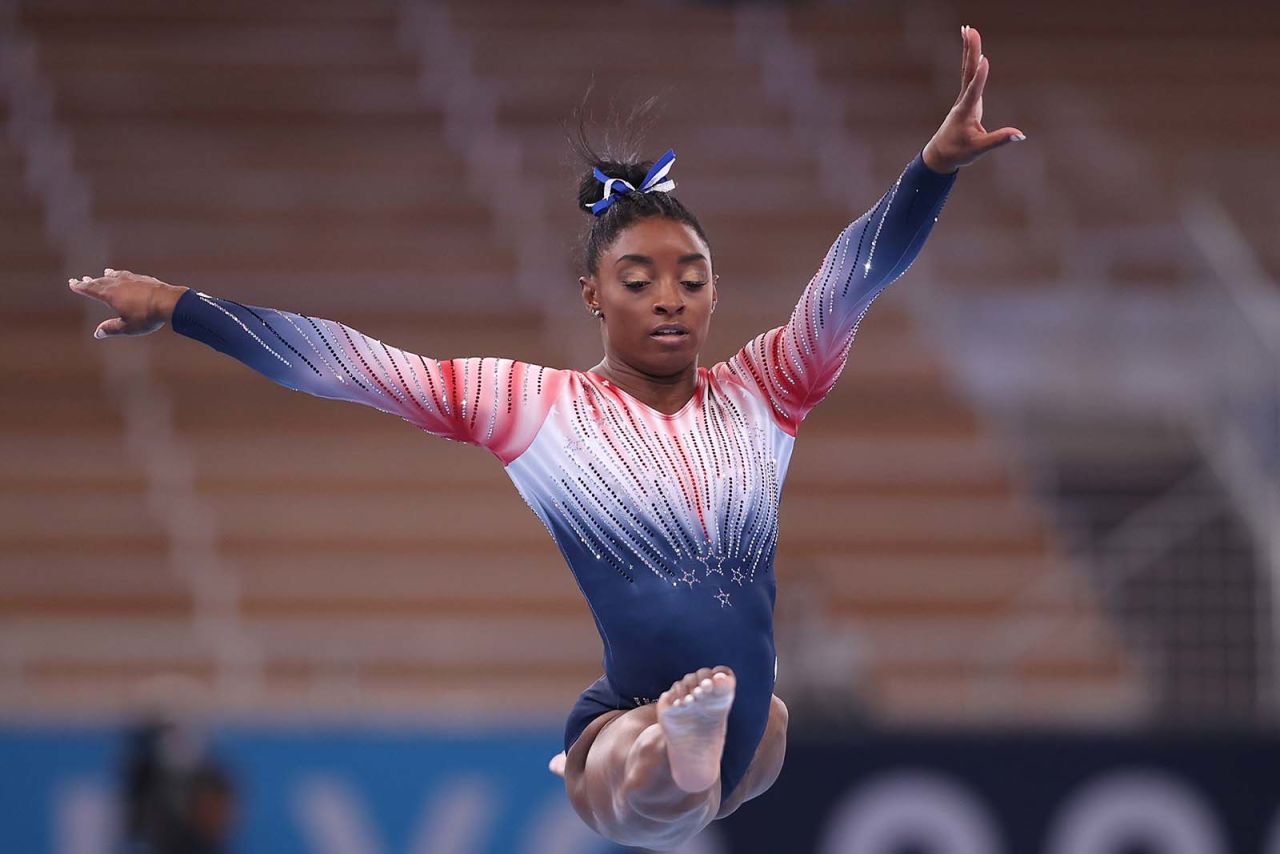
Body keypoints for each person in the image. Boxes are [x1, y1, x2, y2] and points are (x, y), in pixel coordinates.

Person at [69, 25, 1020, 850]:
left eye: (691, 277)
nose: (670, 298)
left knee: (764, 730)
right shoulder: (536, 407)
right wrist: (184, 308)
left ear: (716, 290)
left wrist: (931, 170)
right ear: (592, 295)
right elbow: (350, 365)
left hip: (738, 732)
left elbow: (853, 279)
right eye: (639, 279)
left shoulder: (764, 389)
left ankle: (696, 746)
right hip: (625, 722)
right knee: (644, 773)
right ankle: (670, 746)